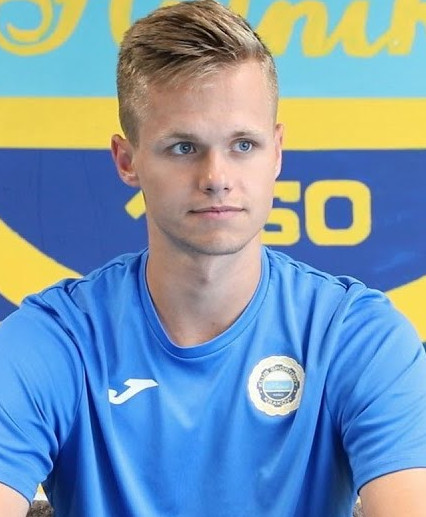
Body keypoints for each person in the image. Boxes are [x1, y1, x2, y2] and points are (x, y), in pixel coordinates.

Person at [1, 1, 426, 516]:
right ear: (127, 160)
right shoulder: (54, 340)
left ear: (277, 152)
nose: (216, 177)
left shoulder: (357, 336)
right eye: (183, 148)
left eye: (243, 145)